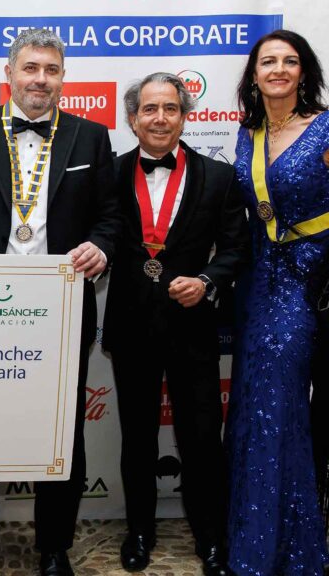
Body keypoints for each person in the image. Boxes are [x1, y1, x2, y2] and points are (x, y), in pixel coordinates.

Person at [0, 27, 121, 576]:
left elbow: (110, 216)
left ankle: (53, 547)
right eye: (31, 68)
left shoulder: (91, 137)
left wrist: (101, 246)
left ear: (63, 77)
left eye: (51, 70)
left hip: (60, 308)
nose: (40, 80)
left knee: (61, 428)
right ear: (9, 73)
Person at [102, 72, 247, 575]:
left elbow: (236, 249)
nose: (160, 118)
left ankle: (210, 537)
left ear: (185, 117)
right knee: (137, 437)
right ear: (132, 118)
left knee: (202, 437)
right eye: (149, 109)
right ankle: (139, 531)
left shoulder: (219, 177)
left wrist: (207, 280)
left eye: (170, 108)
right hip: (131, 326)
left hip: (192, 328)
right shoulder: (110, 173)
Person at [226, 29, 329, 575]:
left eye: (290, 61)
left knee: (283, 403)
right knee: (254, 404)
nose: (279, 69)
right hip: (258, 283)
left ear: (304, 72)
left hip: (311, 283)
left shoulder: (326, 127)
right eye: (269, 61)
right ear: (255, 74)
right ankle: (253, 540)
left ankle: (293, 550)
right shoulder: (248, 133)